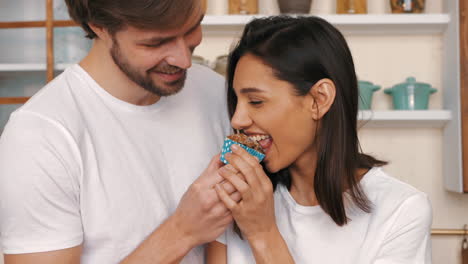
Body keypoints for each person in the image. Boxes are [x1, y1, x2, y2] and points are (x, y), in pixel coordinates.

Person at [0, 0, 239, 263]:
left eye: (193, 28)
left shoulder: (219, 94)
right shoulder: (41, 135)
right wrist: (182, 232)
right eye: (155, 43)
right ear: (99, 27)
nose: (183, 59)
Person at [206, 16, 432, 264]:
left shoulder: (401, 210)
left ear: (319, 99)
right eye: (236, 101)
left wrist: (262, 234)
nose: (237, 120)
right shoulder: (236, 197)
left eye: (256, 102)